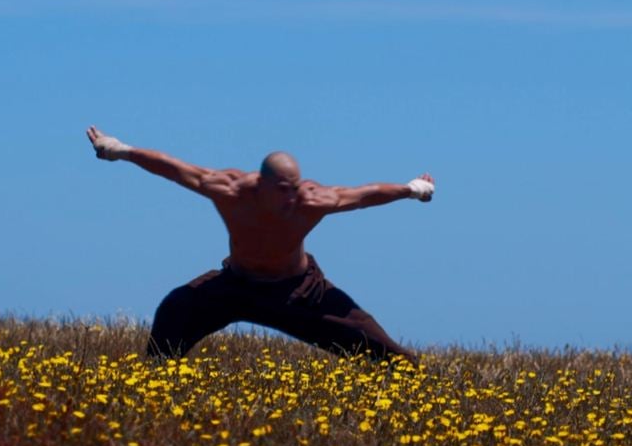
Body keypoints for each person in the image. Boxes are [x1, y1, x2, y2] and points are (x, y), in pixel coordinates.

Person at [85, 125, 432, 364]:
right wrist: (119, 150)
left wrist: (413, 189)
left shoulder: (311, 200)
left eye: (294, 187)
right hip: (236, 285)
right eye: (282, 188)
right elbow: (173, 169)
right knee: (175, 309)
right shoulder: (230, 191)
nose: (290, 197)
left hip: (299, 292)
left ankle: (414, 384)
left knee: (383, 350)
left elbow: (365, 195)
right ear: (261, 183)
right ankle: (154, 383)